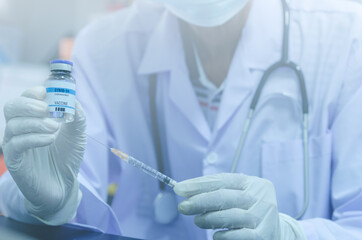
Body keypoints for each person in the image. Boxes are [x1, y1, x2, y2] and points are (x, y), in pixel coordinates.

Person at [1, 0, 362, 239]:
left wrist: (288, 234)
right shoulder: (104, 45)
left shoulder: (344, 40)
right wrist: (47, 201)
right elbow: (68, 186)